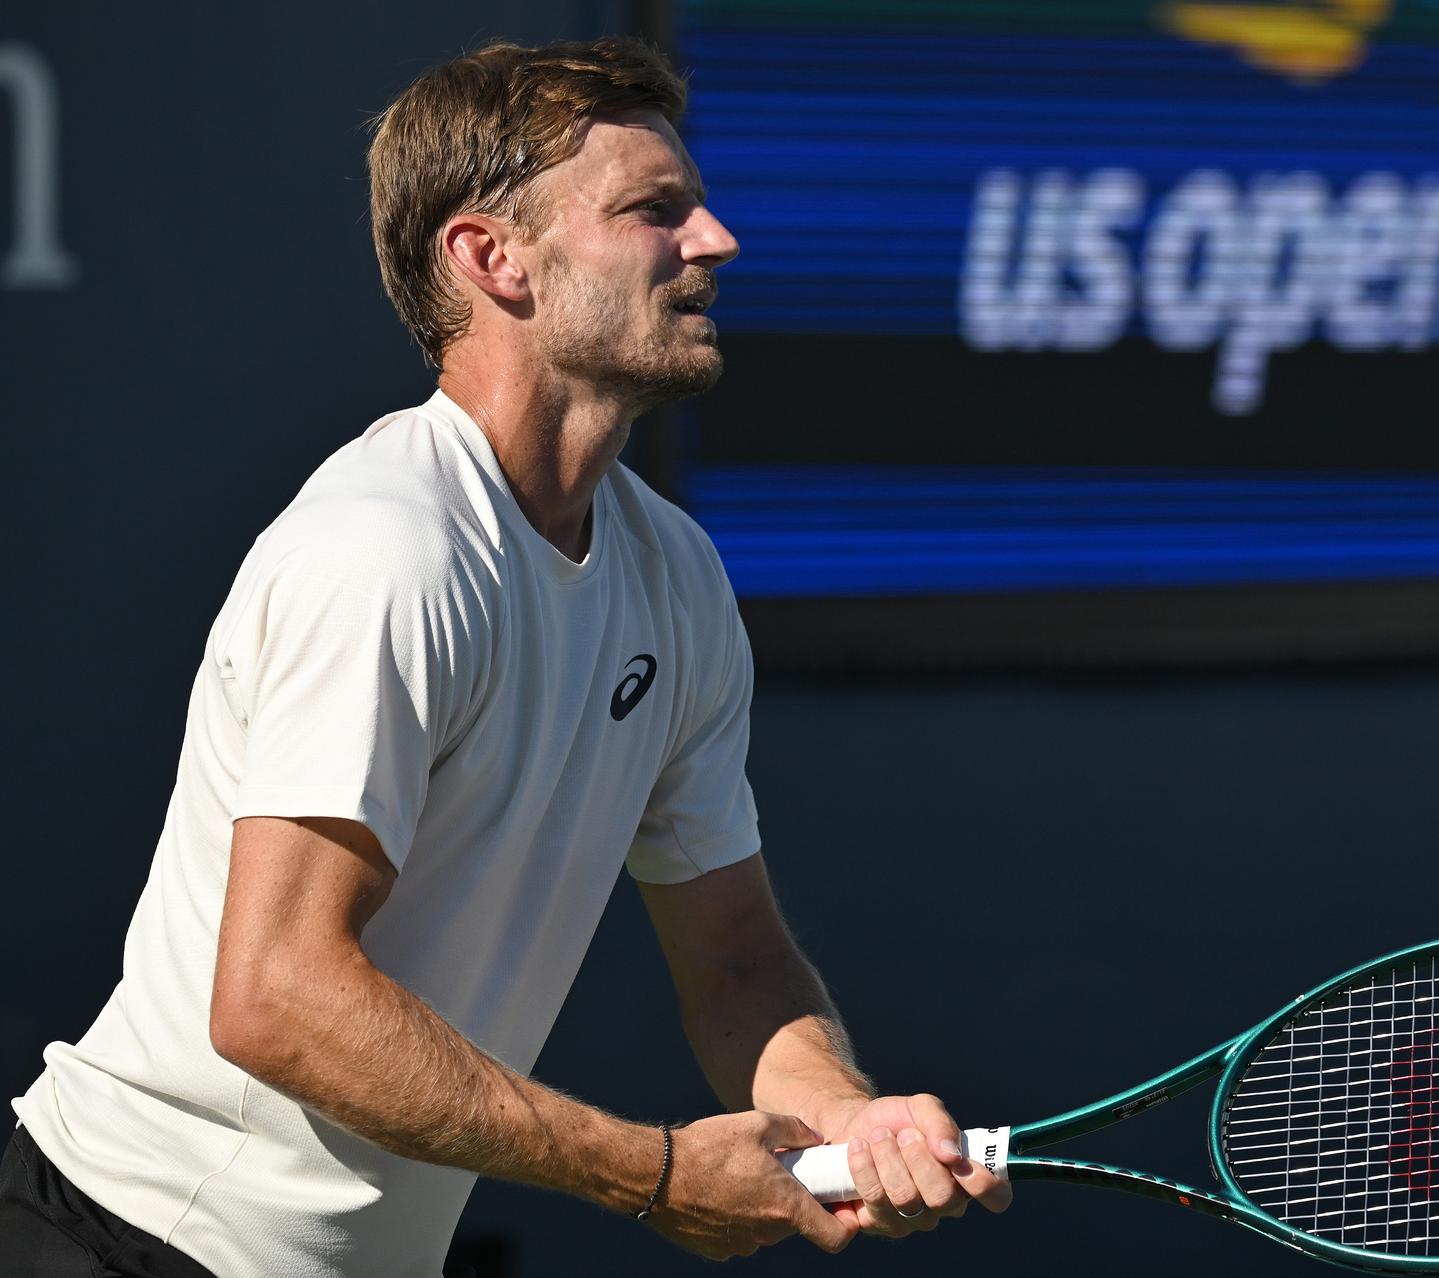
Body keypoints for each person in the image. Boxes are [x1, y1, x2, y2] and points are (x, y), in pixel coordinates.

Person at [1, 36, 1010, 1278]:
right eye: (657, 210)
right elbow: (275, 994)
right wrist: (650, 1175)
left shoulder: (677, 577)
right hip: (127, 1240)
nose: (717, 242)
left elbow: (738, 955)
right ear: (492, 258)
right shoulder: (386, 551)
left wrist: (843, 1117)